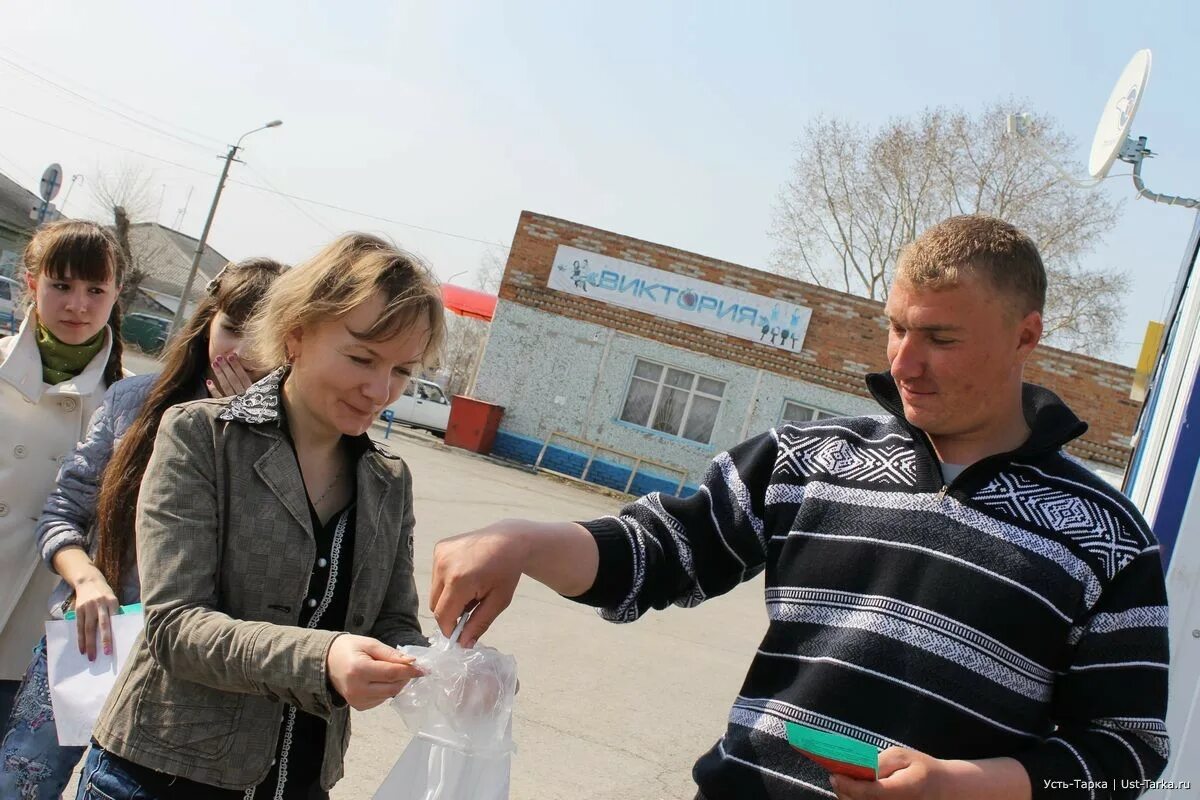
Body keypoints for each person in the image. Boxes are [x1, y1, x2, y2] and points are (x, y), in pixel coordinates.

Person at [430, 215, 1171, 800]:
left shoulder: (1107, 538)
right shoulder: (807, 458)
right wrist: (521, 540)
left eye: (940, 338)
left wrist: (964, 786)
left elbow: (1124, 754)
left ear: (1026, 337)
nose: (903, 363)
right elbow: (661, 553)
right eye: (897, 328)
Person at [78, 232, 445, 799]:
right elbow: (175, 627)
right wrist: (324, 656)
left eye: (402, 371)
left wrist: (446, 671)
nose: (379, 390)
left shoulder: (387, 479)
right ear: (296, 333)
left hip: (297, 782)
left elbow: (392, 623)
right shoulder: (201, 436)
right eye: (361, 358)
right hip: (162, 777)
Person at [0, 257, 283, 799]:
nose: (241, 352)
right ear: (207, 325)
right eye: (231, 328)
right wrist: (85, 579)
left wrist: (245, 429)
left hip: (185, 667)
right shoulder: (135, 401)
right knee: (23, 782)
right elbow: (65, 509)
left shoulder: (290, 445)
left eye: (261, 336)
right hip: (92, 636)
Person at [0, 221, 126, 729]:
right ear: (32, 284)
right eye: (62, 286)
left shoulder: (128, 402)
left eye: (96, 290)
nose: (79, 306)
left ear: (116, 293)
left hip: (39, 634)